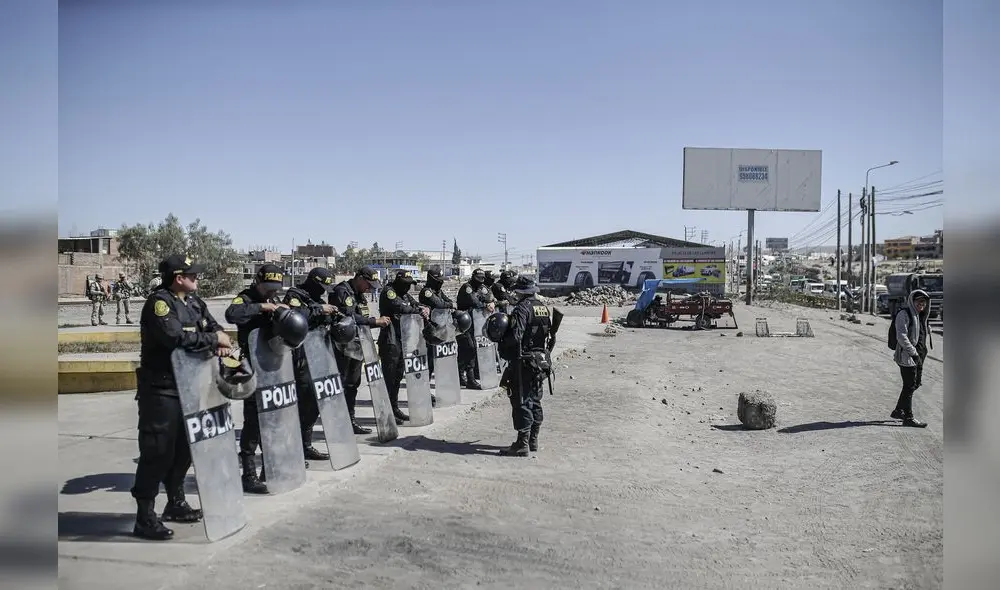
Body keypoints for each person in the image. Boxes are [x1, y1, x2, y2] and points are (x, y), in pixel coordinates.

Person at [131, 254, 234, 540]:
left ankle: (175, 504)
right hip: (162, 390)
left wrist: (220, 339)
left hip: (192, 388)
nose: (197, 278)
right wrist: (215, 341)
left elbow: (214, 327)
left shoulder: (194, 303)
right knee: (157, 453)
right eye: (193, 274)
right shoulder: (160, 304)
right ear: (179, 278)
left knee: (185, 450)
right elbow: (175, 339)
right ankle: (144, 517)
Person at [225, 264, 288, 493]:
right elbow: (231, 315)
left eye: (274, 288)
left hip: (273, 367)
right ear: (257, 283)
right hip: (251, 367)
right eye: (267, 287)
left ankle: (270, 467)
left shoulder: (277, 298)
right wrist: (261, 307)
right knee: (253, 422)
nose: (271, 292)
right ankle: (249, 474)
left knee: (273, 421)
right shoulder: (245, 299)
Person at [283, 267, 343, 461]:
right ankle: (295, 448)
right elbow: (294, 316)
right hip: (300, 355)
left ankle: (306, 445)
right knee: (302, 401)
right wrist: (319, 309)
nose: (324, 290)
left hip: (319, 354)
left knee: (314, 402)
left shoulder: (317, 298)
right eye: (322, 285)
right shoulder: (295, 294)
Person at [329, 266, 392, 434]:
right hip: (342, 347)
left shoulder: (359, 295)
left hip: (357, 346)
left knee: (352, 384)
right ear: (359, 278)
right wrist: (374, 321)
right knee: (341, 385)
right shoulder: (342, 292)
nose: (369, 288)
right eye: (368, 284)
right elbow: (348, 316)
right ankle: (337, 422)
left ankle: (350, 421)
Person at [498, 276, 552, 457]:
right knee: (535, 400)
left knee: (521, 401)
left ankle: (522, 443)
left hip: (524, 361)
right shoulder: (542, 308)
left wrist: (503, 344)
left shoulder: (522, 308)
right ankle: (533, 440)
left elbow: (516, 335)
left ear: (520, 291)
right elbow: (549, 334)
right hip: (540, 360)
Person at [378, 270, 431, 424]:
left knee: (397, 377)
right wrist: (418, 310)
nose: (408, 288)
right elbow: (401, 308)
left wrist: (423, 307)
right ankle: (387, 412)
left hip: (402, 340)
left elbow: (413, 304)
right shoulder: (390, 292)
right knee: (389, 378)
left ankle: (394, 408)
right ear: (399, 282)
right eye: (406, 284)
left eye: (410, 285)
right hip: (390, 340)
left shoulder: (404, 294)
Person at [891, 289, 933, 428]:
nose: (922, 304)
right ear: (912, 301)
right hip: (907, 355)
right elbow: (901, 336)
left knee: (914, 384)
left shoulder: (921, 316)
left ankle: (898, 410)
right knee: (909, 385)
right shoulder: (905, 314)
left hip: (919, 355)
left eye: (924, 302)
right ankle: (908, 417)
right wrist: (913, 352)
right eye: (919, 301)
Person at [456, 268, 495, 389]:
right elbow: (475, 302)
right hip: (464, 324)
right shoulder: (467, 287)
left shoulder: (481, 287)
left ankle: (461, 377)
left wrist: (491, 302)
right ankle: (470, 379)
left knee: (466, 350)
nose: (480, 282)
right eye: (478, 279)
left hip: (476, 324)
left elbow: (488, 296)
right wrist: (486, 304)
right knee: (469, 349)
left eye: (482, 279)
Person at [418, 265, 456, 377]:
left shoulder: (438, 291)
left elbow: (447, 301)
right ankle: (426, 385)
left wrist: (450, 304)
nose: (441, 283)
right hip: (429, 329)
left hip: (440, 328)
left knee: (438, 357)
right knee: (429, 359)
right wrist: (450, 305)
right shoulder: (427, 292)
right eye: (439, 280)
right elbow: (439, 304)